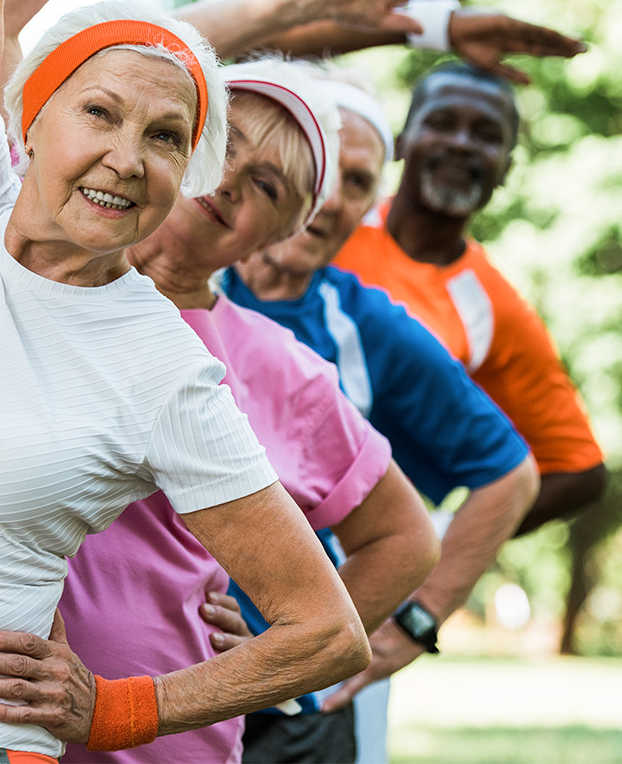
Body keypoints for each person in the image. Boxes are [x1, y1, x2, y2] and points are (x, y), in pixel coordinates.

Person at [0, 0, 393, 761]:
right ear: (30, 119)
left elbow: (325, 629)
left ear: (184, 179)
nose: (127, 159)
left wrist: (118, 709)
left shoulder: (166, 368)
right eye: (100, 112)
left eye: (167, 137)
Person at [0, 57, 440, 764]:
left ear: (282, 233)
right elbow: (6, 42)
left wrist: (271, 651)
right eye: (226, 144)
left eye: (267, 185)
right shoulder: (35, 239)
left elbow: (407, 537)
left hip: (156, 738)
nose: (231, 180)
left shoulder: (282, 370)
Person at [218, 67, 538, 763]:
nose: (328, 199)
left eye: (357, 181)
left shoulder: (367, 324)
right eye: (319, 170)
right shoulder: (178, 272)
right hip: (150, 669)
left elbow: (509, 474)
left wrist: (407, 624)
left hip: (290, 703)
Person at [334, 61, 607, 534]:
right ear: (400, 140)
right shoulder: (329, 220)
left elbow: (578, 469)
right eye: (441, 123)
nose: (461, 143)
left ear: (507, 168)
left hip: (336, 554)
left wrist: (436, 541)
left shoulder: (492, 306)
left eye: (485, 134)